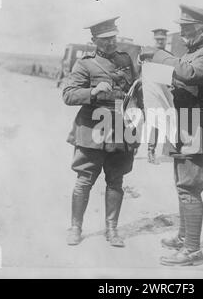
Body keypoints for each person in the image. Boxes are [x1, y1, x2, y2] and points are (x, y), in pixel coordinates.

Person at [140, 4, 203, 266]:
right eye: (181, 29)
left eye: (186, 29)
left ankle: (192, 251)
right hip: (187, 123)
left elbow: (187, 74)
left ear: (202, 30)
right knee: (183, 185)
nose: (181, 35)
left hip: (200, 127)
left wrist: (158, 55)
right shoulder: (193, 53)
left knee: (189, 187)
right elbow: (178, 74)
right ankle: (184, 237)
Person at [60, 16, 137, 248]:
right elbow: (69, 95)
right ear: (94, 40)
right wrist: (93, 92)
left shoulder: (125, 60)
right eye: (104, 40)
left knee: (116, 180)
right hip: (92, 129)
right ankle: (76, 227)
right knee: (85, 179)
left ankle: (112, 230)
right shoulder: (85, 64)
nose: (111, 43)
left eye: (113, 38)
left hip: (121, 129)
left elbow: (135, 92)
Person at [147, 28, 171, 164]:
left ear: (166, 40)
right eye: (158, 39)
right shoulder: (147, 53)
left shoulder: (169, 55)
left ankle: (152, 151)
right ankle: (133, 149)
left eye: (162, 39)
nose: (160, 41)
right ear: (154, 40)